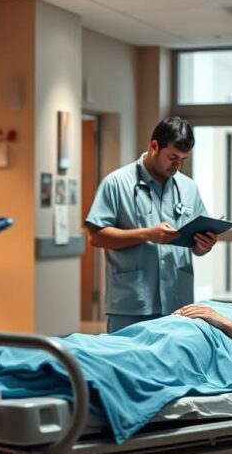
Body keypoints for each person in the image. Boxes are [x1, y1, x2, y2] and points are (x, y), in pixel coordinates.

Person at [0, 279, 232, 446]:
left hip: (191, 353)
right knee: (92, 345)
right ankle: (8, 367)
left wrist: (217, 321)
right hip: (158, 334)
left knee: (118, 363)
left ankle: (23, 376)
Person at [85, 117, 218, 333]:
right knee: (126, 364)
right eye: (173, 157)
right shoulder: (117, 183)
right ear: (154, 146)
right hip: (132, 303)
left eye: (183, 159)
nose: (177, 165)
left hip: (178, 305)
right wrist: (146, 234)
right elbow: (96, 236)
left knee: (175, 364)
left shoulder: (188, 188)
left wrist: (204, 245)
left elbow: (198, 247)